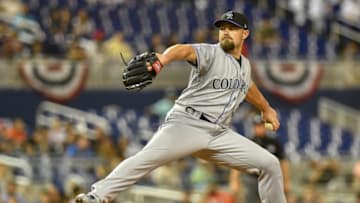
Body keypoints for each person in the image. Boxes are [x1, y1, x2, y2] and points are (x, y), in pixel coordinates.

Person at [75, 11, 286, 203]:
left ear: (245, 34)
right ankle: (96, 196)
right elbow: (183, 50)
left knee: (269, 164)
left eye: (232, 28)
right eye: (222, 28)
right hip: (188, 124)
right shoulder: (211, 53)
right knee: (146, 159)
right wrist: (164, 59)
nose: (226, 32)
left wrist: (265, 108)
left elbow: (248, 87)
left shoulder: (245, 65)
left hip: (219, 133)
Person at [229, 115, 291, 203]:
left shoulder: (274, 142)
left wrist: (286, 181)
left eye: (261, 125)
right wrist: (234, 181)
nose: (259, 128)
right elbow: (238, 162)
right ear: (254, 127)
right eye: (257, 126)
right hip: (252, 178)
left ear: (265, 127)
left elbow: (283, 162)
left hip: (270, 178)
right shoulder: (248, 142)